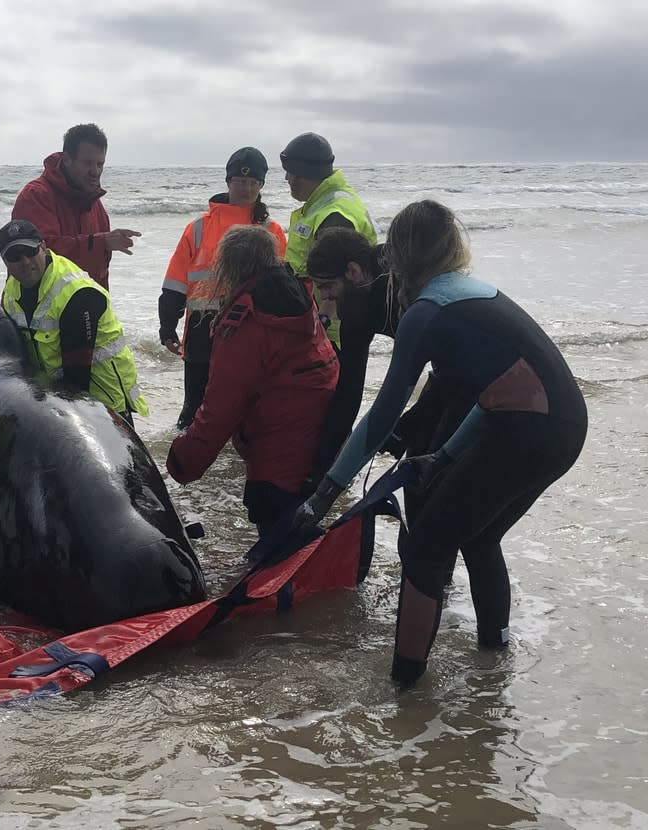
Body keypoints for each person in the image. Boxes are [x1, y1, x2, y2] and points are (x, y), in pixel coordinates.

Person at [291, 200, 588, 685]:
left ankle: (404, 689)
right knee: (478, 534)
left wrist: (324, 493)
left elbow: (382, 414)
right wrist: (444, 455)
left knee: (427, 546)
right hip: (565, 426)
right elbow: (498, 393)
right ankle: (495, 655)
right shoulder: (471, 291)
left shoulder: (424, 313)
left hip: (528, 431)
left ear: (400, 256)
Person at [166, 225, 339, 534]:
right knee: (303, 538)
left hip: (280, 456)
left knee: (276, 548)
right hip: (322, 443)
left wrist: (183, 461)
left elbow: (222, 406)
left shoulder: (246, 321)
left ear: (228, 268)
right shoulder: (298, 295)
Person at [302, 227, 474, 491]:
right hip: (445, 371)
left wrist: (409, 421)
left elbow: (403, 386)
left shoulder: (401, 288)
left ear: (352, 271)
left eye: (327, 286)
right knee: (415, 468)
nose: (325, 298)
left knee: (435, 475)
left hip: (480, 375)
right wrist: (320, 472)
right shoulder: (356, 301)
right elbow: (349, 387)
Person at [159, 147, 288, 429]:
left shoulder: (271, 230)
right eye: (240, 181)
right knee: (194, 409)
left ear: (262, 186)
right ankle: (185, 465)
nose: (247, 188)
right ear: (228, 182)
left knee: (247, 409)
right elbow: (175, 279)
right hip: (201, 328)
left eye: (254, 182)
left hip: (250, 329)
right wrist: (167, 324)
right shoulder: (197, 228)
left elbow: (281, 288)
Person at [0, 219, 148, 424]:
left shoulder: (77, 293)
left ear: (43, 247)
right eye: (14, 256)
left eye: (30, 251)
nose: (25, 262)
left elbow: (77, 377)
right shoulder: (11, 291)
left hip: (103, 400)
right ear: (4, 261)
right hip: (55, 396)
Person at [12, 124, 140, 291]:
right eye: (88, 163)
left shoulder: (95, 204)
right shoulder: (35, 196)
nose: (95, 172)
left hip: (86, 307)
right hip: (39, 310)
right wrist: (101, 243)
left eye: (100, 164)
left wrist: (102, 308)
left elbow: (100, 274)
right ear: (67, 159)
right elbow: (40, 257)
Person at [279, 132, 377, 348]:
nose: (287, 179)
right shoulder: (327, 201)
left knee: (338, 381)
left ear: (301, 174)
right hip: (336, 319)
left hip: (337, 326)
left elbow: (336, 279)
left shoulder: (334, 215)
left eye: (290, 172)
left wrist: (321, 322)